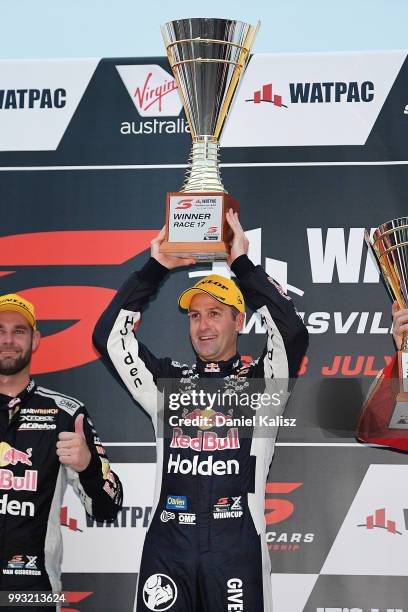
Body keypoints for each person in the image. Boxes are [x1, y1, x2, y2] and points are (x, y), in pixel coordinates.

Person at [93, 210, 308, 612]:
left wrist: (242, 265)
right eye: (194, 315)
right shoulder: (166, 384)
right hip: (168, 546)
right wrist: (154, 269)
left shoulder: (263, 383)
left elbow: (291, 332)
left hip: (236, 548)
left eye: (214, 313)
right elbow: (107, 337)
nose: (202, 326)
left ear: (239, 321)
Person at [0, 293, 123, 611]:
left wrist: (89, 467)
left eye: (19, 331)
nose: (8, 340)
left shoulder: (65, 413)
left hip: (32, 589)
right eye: (0, 331)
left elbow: (109, 507)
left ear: (36, 339)